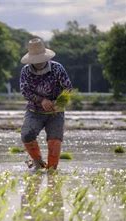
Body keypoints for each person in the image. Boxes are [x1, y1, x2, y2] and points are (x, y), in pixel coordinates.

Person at [20, 38, 73, 171]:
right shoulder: (26, 71)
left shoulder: (57, 68)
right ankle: (38, 162)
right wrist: (41, 100)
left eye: (40, 58)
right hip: (34, 111)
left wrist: (57, 103)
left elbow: (68, 88)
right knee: (26, 135)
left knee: (54, 141)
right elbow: (25, 91)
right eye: (35, 60)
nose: (38, 62)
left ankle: (51, 170)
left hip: (55, 112)